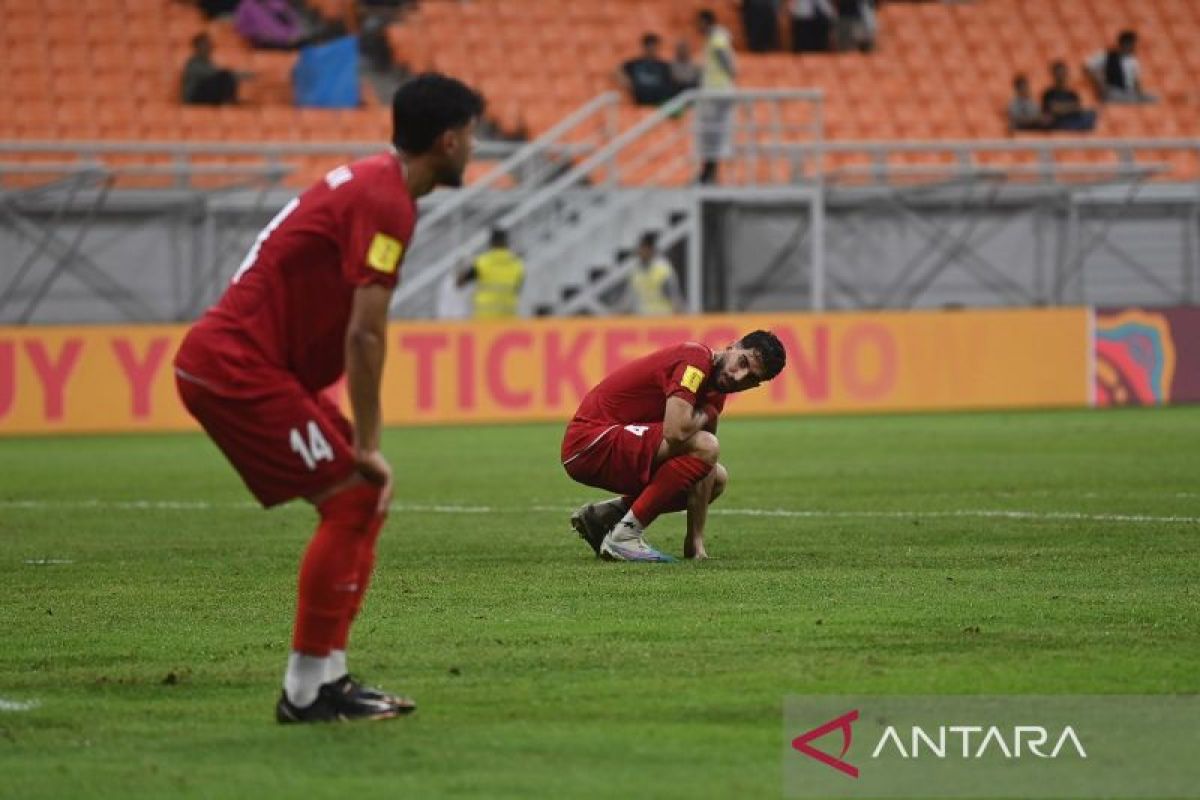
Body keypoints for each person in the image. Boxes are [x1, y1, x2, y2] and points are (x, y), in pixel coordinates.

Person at [173, 73, 484, 724]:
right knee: (352, 491)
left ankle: (326, 679)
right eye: (473, 135)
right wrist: (368, 442)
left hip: (255, 365)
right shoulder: (388, 201)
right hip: (236, 366)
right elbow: (365, 335)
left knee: (361, 498)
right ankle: (307, 691)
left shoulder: (377, 182)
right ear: (448, 139)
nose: (475, 149)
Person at [562, 331, 787, 562]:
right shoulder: (695, 361)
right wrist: (707, 414)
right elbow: (675, 432)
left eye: (750, 378)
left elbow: (704, 467)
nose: (738, 377)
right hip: (589, 441)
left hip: (610, 444)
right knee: (706, 445)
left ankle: (604, 516)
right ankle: (625, 536)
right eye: (742, 362)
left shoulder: (716, 392)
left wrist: (695, 541)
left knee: (717, 478)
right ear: (732, 346)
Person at [697, 9, 737, 184]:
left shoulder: (717, 37)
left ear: (706, 22)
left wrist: (730, 72)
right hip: (716, 91)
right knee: (712, 133)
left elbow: (725, 60)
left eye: (699, 22)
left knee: (713, 133)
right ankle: (708, 171)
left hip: (718, 91)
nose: (697, 27)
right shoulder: (715, 38)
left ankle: (709, 172)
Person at [456, 227, 525, 319]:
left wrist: (463, 266)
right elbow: (518, 290)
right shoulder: (517, 264)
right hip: (508, 318)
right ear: (507, 243)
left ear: (491, 242)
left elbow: (460, 283)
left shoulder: (482, 262)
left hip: (485, 319)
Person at [1085, 30, 1156, 104]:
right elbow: (1087, 67)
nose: (1131, 46)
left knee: (1153, 98)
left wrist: (1141, 94)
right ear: (1123, 43)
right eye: (1129, 44)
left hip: (1129, 92)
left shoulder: (1133, 60)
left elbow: (1136, 81)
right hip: (1112, 90)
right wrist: (1099, 83)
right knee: (1116, 96)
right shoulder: (1106, 55)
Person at [624, 231, 684, 316]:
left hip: (663, 319)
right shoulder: (635, 272)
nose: (640, 252)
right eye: (639, 249)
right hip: (643, 320)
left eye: (643, 249)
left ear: (650, 249)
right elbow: (629, 299)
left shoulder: (663, 270)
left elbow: (674, 297)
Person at [181, 32, 244, 106]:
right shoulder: (192, 63)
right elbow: (210, 73)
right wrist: (235, 74)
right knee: (225, 76)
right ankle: (229, 102)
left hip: (207, 96)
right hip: (194, 98)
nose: (207, 48)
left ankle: (228, 101)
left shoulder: (209, 63)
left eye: (208, 45)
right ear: (197, 47)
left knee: (226, 77)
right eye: (204, 45)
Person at [617, 33, 676, 107]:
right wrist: (626, 81)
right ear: (644, 47)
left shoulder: (663, 66)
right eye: (649, 46)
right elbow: (618, 70)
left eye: (654, 46)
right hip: (638, 101)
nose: (651, 49)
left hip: (658, 103)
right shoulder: (635, 63)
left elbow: (671, 81)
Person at [1042, 61, 1097, 132]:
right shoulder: (1049, 94)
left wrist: (1064, 108)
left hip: (1072, 120)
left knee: (1091, 114)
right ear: (1054, 75)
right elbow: (1053, 109)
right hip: (1058, 123)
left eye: (1063, 74)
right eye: (1058, 74)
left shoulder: (1072, 94)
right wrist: (1070, 108)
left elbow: (1077, 108)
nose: (1061, 77)